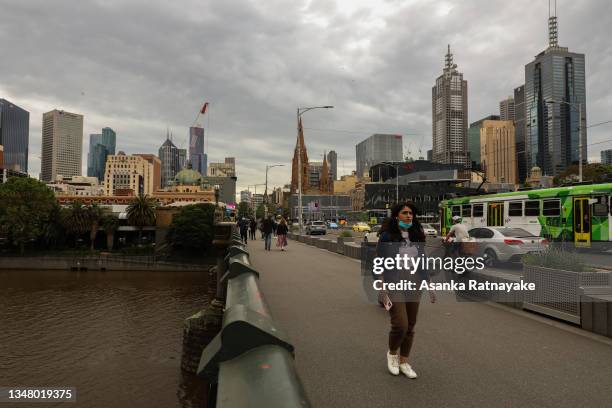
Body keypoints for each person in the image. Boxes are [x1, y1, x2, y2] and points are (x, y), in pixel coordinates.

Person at [377, 202, 435, 379]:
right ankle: (392, 354)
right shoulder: (387, 237)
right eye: (405, 213)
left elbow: (422, 262)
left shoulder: (417, 235)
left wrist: (430, 284)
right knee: (400, 324)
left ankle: (404, 361)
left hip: (414, 282)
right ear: (397, 216)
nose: (409, 216)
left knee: (410, 325)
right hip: (395, 281)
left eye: (411, 213)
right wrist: (382, 285)